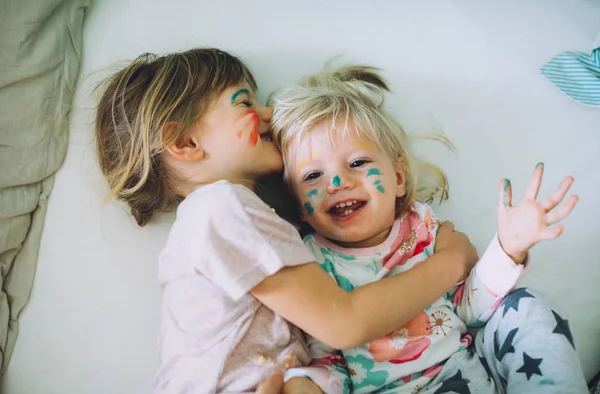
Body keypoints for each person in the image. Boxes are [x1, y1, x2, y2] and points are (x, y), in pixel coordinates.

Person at [94, 48, 478, 393]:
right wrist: (449, 264)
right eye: (244, 102)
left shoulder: (227, 216)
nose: (267, 115)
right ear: (186, 143)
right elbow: (343, 323)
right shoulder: (222, 208)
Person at [268, 65, 588, 393]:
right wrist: (306, 384)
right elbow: (327, 357)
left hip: (468, 373)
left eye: (357, 163)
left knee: (527, 305)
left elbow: (468, 308)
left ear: (398, 178)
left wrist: (508, 248)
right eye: (312, 176)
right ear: (298, 208)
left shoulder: (422, 228)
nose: (337, 182)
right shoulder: (310, 260)